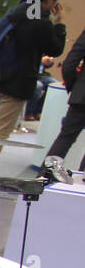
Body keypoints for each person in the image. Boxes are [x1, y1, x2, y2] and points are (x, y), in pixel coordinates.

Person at [0, 0, 68, 177]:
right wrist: (59, 23)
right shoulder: (40, 22)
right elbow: (55, 48)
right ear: (51, 0)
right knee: (0, 131)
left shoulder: (17, 11)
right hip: (16, 83)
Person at [47, 25, 85, 170]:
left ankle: (44, 179)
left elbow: (69, 64)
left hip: (82, 95)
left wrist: (74, 86)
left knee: (65, 138)